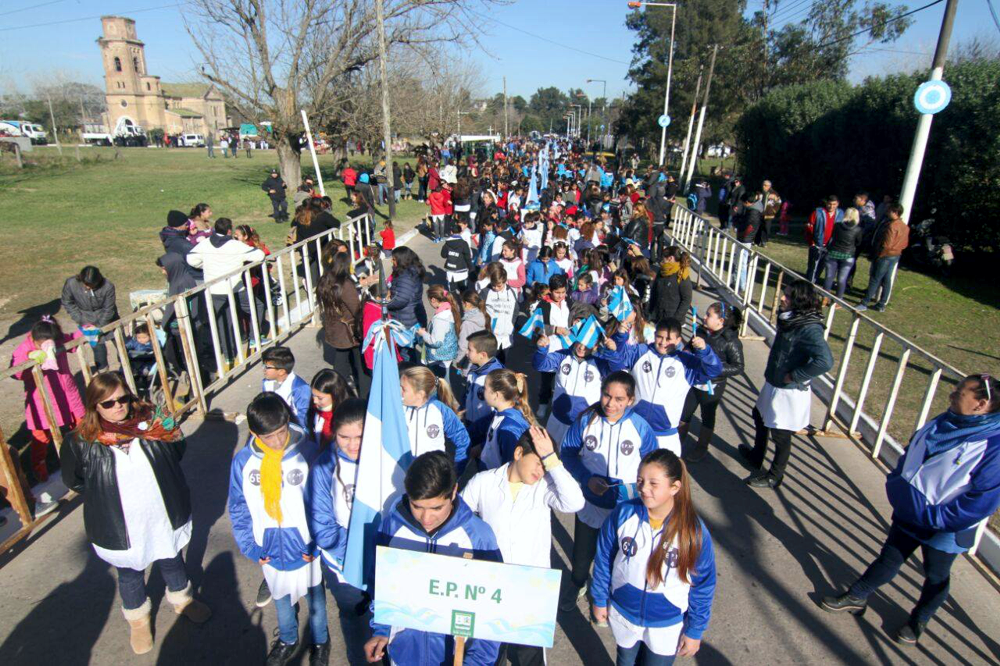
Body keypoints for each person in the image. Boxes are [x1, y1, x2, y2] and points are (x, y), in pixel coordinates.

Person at [820, 374, 1000, 645]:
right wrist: (897, 480)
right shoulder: (945, 420)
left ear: (981, 403)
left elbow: (982, 501)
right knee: (889, 557)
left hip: (944, 529)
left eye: (961, 391)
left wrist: (936, 518)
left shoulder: (993, 446)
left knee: (936, 575)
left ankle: (919, 619)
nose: (952, 393)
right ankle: (857, 596)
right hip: (911, 512)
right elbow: (912, 449)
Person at [61, 372, 211, 655]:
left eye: (123, 399)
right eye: (108, 403)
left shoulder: (153, 424)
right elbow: (76, 480)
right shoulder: (80, 441)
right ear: (94, 406)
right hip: (120, 522)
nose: (118, 406)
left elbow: (177, 447)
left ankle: (182, 599)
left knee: (171, 558)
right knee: (130, 573)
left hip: (161, 511)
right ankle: (139, 620)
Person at [461, 426, 585, 665]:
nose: (541, 471)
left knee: (529, 659)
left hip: (530, 592)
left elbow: (576, 502)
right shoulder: (483, 482)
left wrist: (551, 460)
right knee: (489, 656)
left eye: (545, 465)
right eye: (538, 462)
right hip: (490, 589)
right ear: (518, 453)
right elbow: (459, 521)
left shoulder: (544, 488)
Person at [364, 451, 502, 666]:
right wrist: (381, 630)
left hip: (458, 658)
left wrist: (477, 662)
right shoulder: (391, 526)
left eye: (436, 508)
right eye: (417, 506)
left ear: (454, 491)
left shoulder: (480, 537)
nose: (426, 518)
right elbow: (380, 586)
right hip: (402, 655)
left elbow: (494, 608)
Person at [229, 393, 328, 666]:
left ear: (287, 423)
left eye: (281, 433)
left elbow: (323, 503)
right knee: (281, 599)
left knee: (316, 601)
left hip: (307, 548)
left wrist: (318, 544)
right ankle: (288, 638)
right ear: (253, 432)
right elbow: (238, 507)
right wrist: (250, 546)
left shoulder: (307, 453)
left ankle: (320, 640)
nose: (276, 442)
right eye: (268, 436)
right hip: (270, 550)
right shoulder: (244, 463)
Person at [591, 449, 717, 665]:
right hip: (624, 614)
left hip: (666, 624)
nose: (643, 489)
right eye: (640, 481)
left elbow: (703, 584)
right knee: (625, 660)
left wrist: (695, 630)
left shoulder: (692, 531)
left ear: (675, 487)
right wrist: (600, 599)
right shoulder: (623, 515)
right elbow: (604, 559)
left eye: (653, 484)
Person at [560, 371, 658, 614]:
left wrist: (640, 490)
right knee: (583, 555)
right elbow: (568, 453)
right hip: (590, 504)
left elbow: (653, 463)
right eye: (606, 395)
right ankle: (577, 582)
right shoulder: (586, 420)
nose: (611, 404)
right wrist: (586, 478)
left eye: (619, 399)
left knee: (616, 557)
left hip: (624, 509)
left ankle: (603, 598)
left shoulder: (640, 427)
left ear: (630, 401)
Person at [740, 280, 833, 489]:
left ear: (799, 302)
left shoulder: (809, 328)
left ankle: (775, 475)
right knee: (759, 416)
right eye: (785, 293)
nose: (782, 298)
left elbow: (825, 361)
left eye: (789, 296)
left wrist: (796, 375)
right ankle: (757, 455)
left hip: (788, 390)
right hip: (774, 382)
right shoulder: (791, 318)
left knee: (780, 434)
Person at [599, 318, 722, 455]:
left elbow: (713, 370)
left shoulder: (687, 363)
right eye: (659, 337)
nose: (663, 342)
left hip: (665, 435)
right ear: (655, 334)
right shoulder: (641, 352)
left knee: (664, 474)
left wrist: (704, 351)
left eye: (669, 339)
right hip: (634, 426)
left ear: (678, 340)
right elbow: (618, 355)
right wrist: (621, 335)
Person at [307, 398, 370, 665]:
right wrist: (358, 554)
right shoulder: (324, 467)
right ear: (334, 433)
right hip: (344, 565)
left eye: (360, 436)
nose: (353, 445)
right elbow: (323, 528)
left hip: (385, 561)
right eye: (345, 437)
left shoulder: (383, 457)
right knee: (354, 621)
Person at [186, 217, 270, 363]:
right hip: (235, 288)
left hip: (213, 290)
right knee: (257, 306)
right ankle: (254, 338)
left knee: (223, 321)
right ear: (229, 230)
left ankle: (228, 355)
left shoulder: (205, 244)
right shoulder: (236, 246)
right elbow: (259, 255)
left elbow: (191, 259)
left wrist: (206, 266)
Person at [11, 317, 85, 482]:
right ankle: (40, 472)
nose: (48, 346)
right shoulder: (26, 347)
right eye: (42, 344)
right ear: (35, 340)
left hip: (67, 395)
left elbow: (72, 341)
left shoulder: (57, 339)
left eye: (51, 343)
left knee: (82, 426)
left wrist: (86, 330)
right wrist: (30, 360)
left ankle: (88, 457)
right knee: (41, 436)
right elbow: (16, 371)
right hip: (42, 399)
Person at [679, 302, 745, 463]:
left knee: (707, 416)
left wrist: (714, 369)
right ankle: (677, 442)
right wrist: (687, 351)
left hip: (713, 385)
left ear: (720, 321)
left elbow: (738, 367)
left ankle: (701, 447)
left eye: (709, 315)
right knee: (685, 412)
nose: (704, 317)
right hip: (695, 380)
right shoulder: (700, 331)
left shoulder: (731, 341)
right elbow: (690, 346)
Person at [400, 366, 470, 471]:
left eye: (403, 389)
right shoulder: (397, 408)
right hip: (402, 474)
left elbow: (463, 440)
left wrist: (455, 472)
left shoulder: (440, 410)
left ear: (420, 394)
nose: (399, 391)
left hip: (431, 478)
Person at [317, 252, 367, 394]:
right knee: (359, 362)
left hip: (334, 326)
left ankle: (338, 390)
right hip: (348, 329)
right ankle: (363, 394)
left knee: (341, 357)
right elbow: (355, 308)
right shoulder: (345, 284)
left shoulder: (324, 281)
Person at [471, 369, 534, 470]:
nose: (483, 391)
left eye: (485, 388)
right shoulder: (502, 414)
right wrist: (481, 447)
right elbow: (496, 441)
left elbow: (511, 467)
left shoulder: (508, 429)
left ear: (496, 395)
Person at [61, 265, 118, 372]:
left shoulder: (108, 286)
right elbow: (67, 302)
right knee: (99, 351)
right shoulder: (71, 283)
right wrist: (82, 320)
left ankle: (130, 371)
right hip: (87, 322)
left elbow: (108, 309)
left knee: (122, 345)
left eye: (91, 285)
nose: (87, 287)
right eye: (85, 284)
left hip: (109, 320)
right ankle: (104, 375)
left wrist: (100, 327)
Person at [858, 203, 909, 312]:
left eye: (889, 211)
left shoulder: (891, 225)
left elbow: (887, 244)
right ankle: (882, 304)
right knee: (887, 279)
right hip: (896, 255)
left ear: (895, 212)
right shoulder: (904, 226)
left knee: (875, 278)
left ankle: (865, 303)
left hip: (885, 255)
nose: (887, 212)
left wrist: (880, 254)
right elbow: (905, 244)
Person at [261, 346, 312, 430]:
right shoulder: (266, 382)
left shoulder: (300, 388)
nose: (263, 369)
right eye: (264, 365)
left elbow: (304, 418)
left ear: (281, 371)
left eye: (267, 367)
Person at [305, 368, 356, 451]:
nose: (314, 401)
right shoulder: (315, 410)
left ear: (335, 395)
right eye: (313, 395)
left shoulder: (349, 417)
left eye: (320, 398)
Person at [463, 331, 505, 426]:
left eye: (469, 350)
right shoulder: (474, 368)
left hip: (484, 428)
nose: (466, 352)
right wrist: (463, 409)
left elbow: (500, 408)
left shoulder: (497, 378)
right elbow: (467, 392)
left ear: (482, 355)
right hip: (469, 420)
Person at [419, 284, 461, 378]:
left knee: (440, 383)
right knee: (444, 381)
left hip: (440, 357)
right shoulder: (449, 308)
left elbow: (436, 342)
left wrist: (423, 333)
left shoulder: (440, 319)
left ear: (433, 299)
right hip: (446, 354)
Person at [823, 207, 863, 299]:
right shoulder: (858, 229)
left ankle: (824, 298)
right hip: (848, 255)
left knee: (829, 277)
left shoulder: (837, 225)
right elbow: (858, 243)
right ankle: (838, 299)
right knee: (842, 279)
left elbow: (833, 237)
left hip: (833, 253)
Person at [805, 195, 842, 284]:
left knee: (821, 267)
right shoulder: (818, 212)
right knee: (812, 267)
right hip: (817, 245)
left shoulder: (841, 214)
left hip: (830, 246)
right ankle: (808, 284)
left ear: (837, 204)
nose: (831, 206)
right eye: (829, 204)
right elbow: (809, 227)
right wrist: (811, 243)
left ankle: (814, 282)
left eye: (834, 204)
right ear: (826, 203)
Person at [480, 268, 518, 352]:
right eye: (493, 285)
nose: (496, 288)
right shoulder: (485, 292)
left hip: (506, 337)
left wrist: (512, 323)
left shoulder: (512, 292)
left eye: (499, 286)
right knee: (491, 362)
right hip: (491, 336)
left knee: (503, 361)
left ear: (505, 281)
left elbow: (515, 310)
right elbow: (479, 309)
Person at [650, 248, 693, 323]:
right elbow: (654, 291)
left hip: (672, 319)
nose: (661, 260)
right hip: (658, 315)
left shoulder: (682, 275)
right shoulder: (662, 271)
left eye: (663, 257)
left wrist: (675, 319)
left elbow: (686, 300)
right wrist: (650, 311)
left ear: (670, 258)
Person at [441, 219, 474, 292]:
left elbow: (443, 255)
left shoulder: (447, 243)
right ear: (461, 232)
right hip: (462, 270)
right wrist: (471, 267)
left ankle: (453, 302)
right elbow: (467, 257)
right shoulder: (464, 243)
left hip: (450, 271)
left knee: (452, 292)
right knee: (464, 291)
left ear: (451, 232)